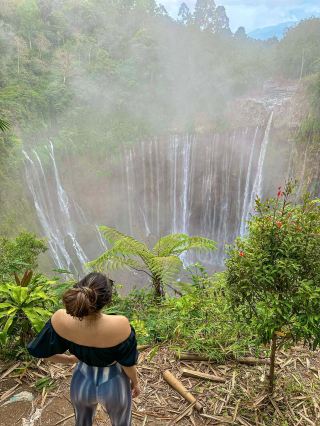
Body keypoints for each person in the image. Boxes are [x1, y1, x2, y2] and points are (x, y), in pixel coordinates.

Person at [27, 272, 139, 426]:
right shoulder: (120, 324)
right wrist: (135, 382)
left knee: (82, 422)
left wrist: (69, 359)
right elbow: (127, 364)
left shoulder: (60, 318)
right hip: (114, 382)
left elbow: (43, 353)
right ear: (107, 300)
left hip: (82, 380)